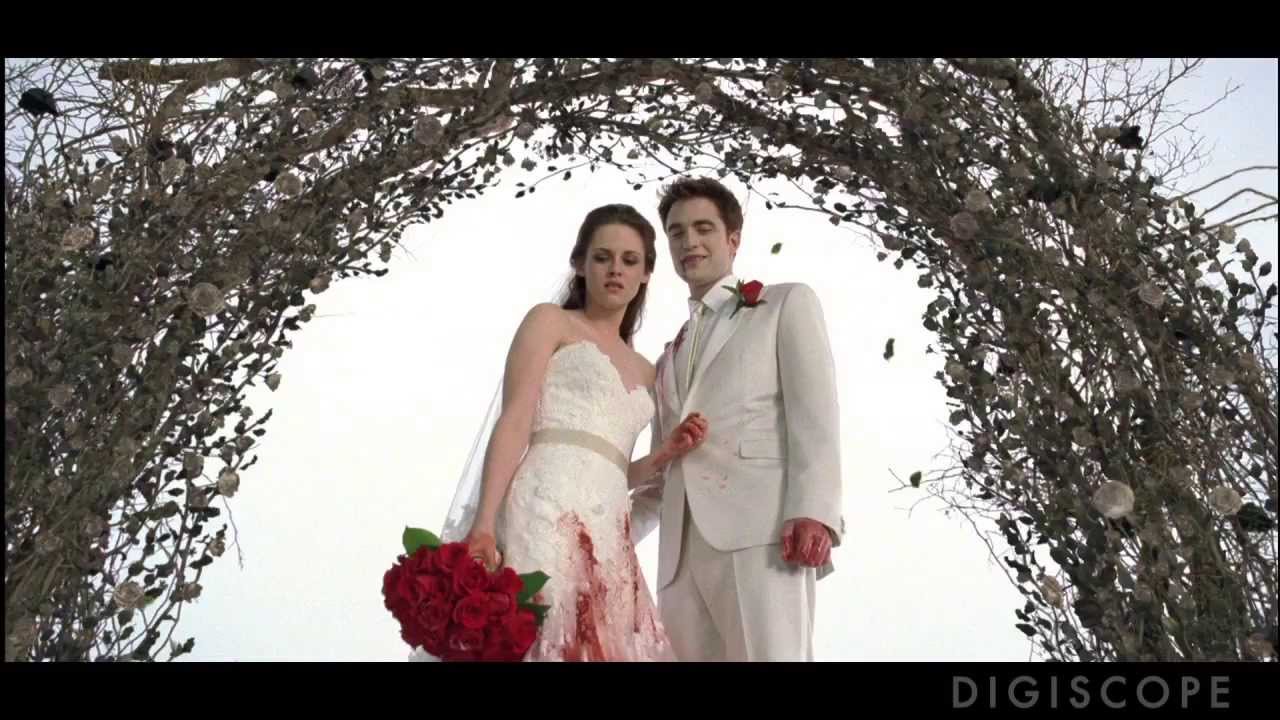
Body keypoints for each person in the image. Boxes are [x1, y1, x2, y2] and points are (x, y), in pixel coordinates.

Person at [455, 204, 708, 661]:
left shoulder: (647, 370)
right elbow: (515, 419)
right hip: (543, 505)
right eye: (602, 257)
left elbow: (611, 467)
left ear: (646, 274)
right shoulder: (550, 322)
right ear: (580, 264)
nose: (616, 270)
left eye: (630, 260)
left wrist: (663, 455)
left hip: (607, 528)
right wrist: (485, 523)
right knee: (544, 633)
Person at [631, 177, 844, 661]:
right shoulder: (666, 358)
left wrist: (814, 510)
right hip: (678, 558)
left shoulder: (784, 304)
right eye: (677, 232)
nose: (689, 241)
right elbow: (661, 474)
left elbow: (816, 414)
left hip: (762, 535)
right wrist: (601, 538)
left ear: (733, 239)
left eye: (703, 228)